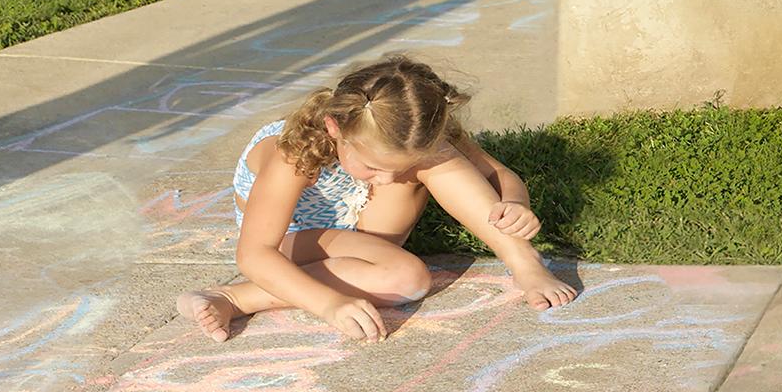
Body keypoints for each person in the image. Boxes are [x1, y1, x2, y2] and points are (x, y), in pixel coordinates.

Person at [174, 53, 579, 345]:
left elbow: (498, 176)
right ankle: (233, 297)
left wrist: (515, 203)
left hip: (359, 232)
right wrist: (329, 304)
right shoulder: (294, 151)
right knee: (407, 278)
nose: (386, 178)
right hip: (293, 239)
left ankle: (525, 264)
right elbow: (255, 253)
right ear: (335, 128)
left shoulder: (414, 133)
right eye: (372, 166)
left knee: (438, 162)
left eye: (394, 168)